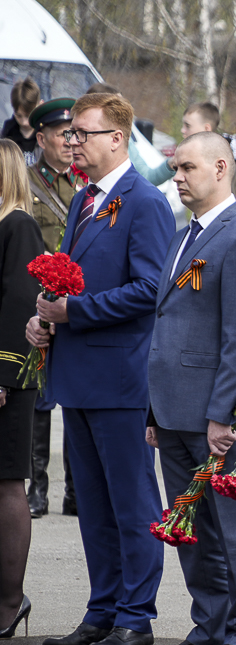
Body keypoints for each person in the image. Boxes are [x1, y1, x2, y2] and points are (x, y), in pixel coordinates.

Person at [28, 92, 176, 645]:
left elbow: (149, 290)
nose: (73, 143)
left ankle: (136, 616)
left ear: (117, 138)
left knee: (131, 500)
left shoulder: (143, 202)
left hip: (120, 374)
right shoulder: (86, 199)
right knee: (91, 500)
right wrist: (45, 318)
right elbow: (69, 281)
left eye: (83, 134)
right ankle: (103, 609)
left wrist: (77, 313)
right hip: (80, 371)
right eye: (70, 135)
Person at [143, 132, 236, 645]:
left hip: (217, 414)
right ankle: (209, 625)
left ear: (220, 168)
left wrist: (223, 414)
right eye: (175, 168)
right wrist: (154, 411)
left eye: (187, 168)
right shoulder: (184, 234)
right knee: (191, 527)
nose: (177, 177)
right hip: (174, 409)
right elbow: (169, 325)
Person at [24, 98, 82, 520]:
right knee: (41, 400)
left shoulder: (86, 183)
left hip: (80, 303)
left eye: (73, 133)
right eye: (61, 133)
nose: (68, 140)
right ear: (41, 137)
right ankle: (38, 488)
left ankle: (76, 491)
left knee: (79, 396)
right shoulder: (26, 183)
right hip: (40, 301)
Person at [0, 139, 42, 639]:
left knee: (8, 483)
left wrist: (3, 374)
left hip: (9, 377)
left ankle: (10, 601)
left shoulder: (19, 224)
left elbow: (18, 306)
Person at [178, 101, 236, 234]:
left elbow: (227, 213)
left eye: (188, 126)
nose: (183, 130)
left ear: (206, 128)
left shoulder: (224, 164)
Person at [84, 82, 176, 188]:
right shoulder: (77, 141)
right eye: (117, 107)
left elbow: (146, 177)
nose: (123, 113)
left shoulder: (125, 141)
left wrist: (171, 164)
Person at [2, 78, 41, 166]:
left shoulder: (48, 134)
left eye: (28, 115)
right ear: (12, 104)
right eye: (19, 115)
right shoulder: (6, 134)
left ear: (39, 105)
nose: (24, 122)